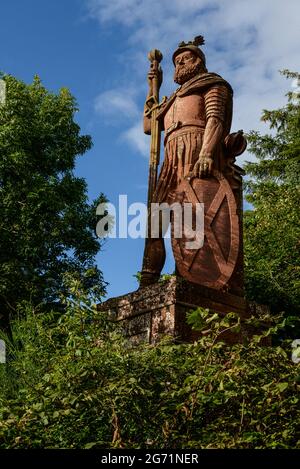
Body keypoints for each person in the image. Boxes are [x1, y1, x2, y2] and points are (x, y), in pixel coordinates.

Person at [140, 36, 237, 288]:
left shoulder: (212, 84)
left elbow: (215, 119)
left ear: (199, 61)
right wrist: (153, 89)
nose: (180, 64)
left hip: (196, 151)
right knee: (156, 219)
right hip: (171, 160)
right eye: (176, 61)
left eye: (185, 59)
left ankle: (189, 275)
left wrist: (206, 153)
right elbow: (150, 127)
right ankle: (148, 280)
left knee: (192, 218)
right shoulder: (171, 99)